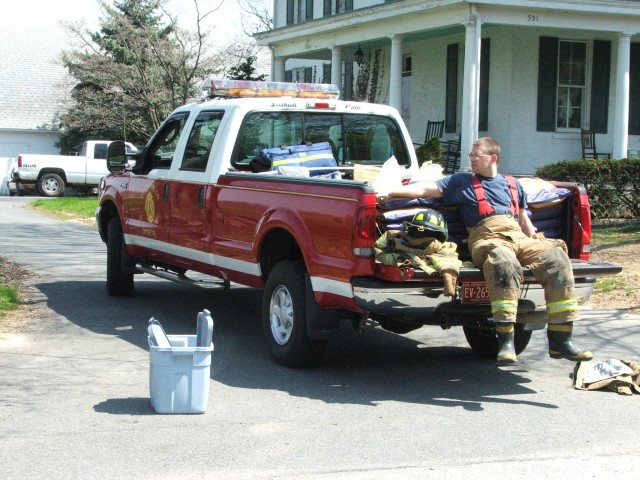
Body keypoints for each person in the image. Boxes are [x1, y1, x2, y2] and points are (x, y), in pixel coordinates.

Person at [377, 137, 593, 365]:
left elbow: (522, 218)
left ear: (493, 158)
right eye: (471, 155)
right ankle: (506, 339)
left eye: (476, 155)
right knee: (504, 262)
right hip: (487, 238)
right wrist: (391, 193)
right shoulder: (461, 182)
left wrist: (537, 241)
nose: (471, 159)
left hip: (518, 236)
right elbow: (424, 189)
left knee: (556, 258)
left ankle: (561, 339)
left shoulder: (512, 184)